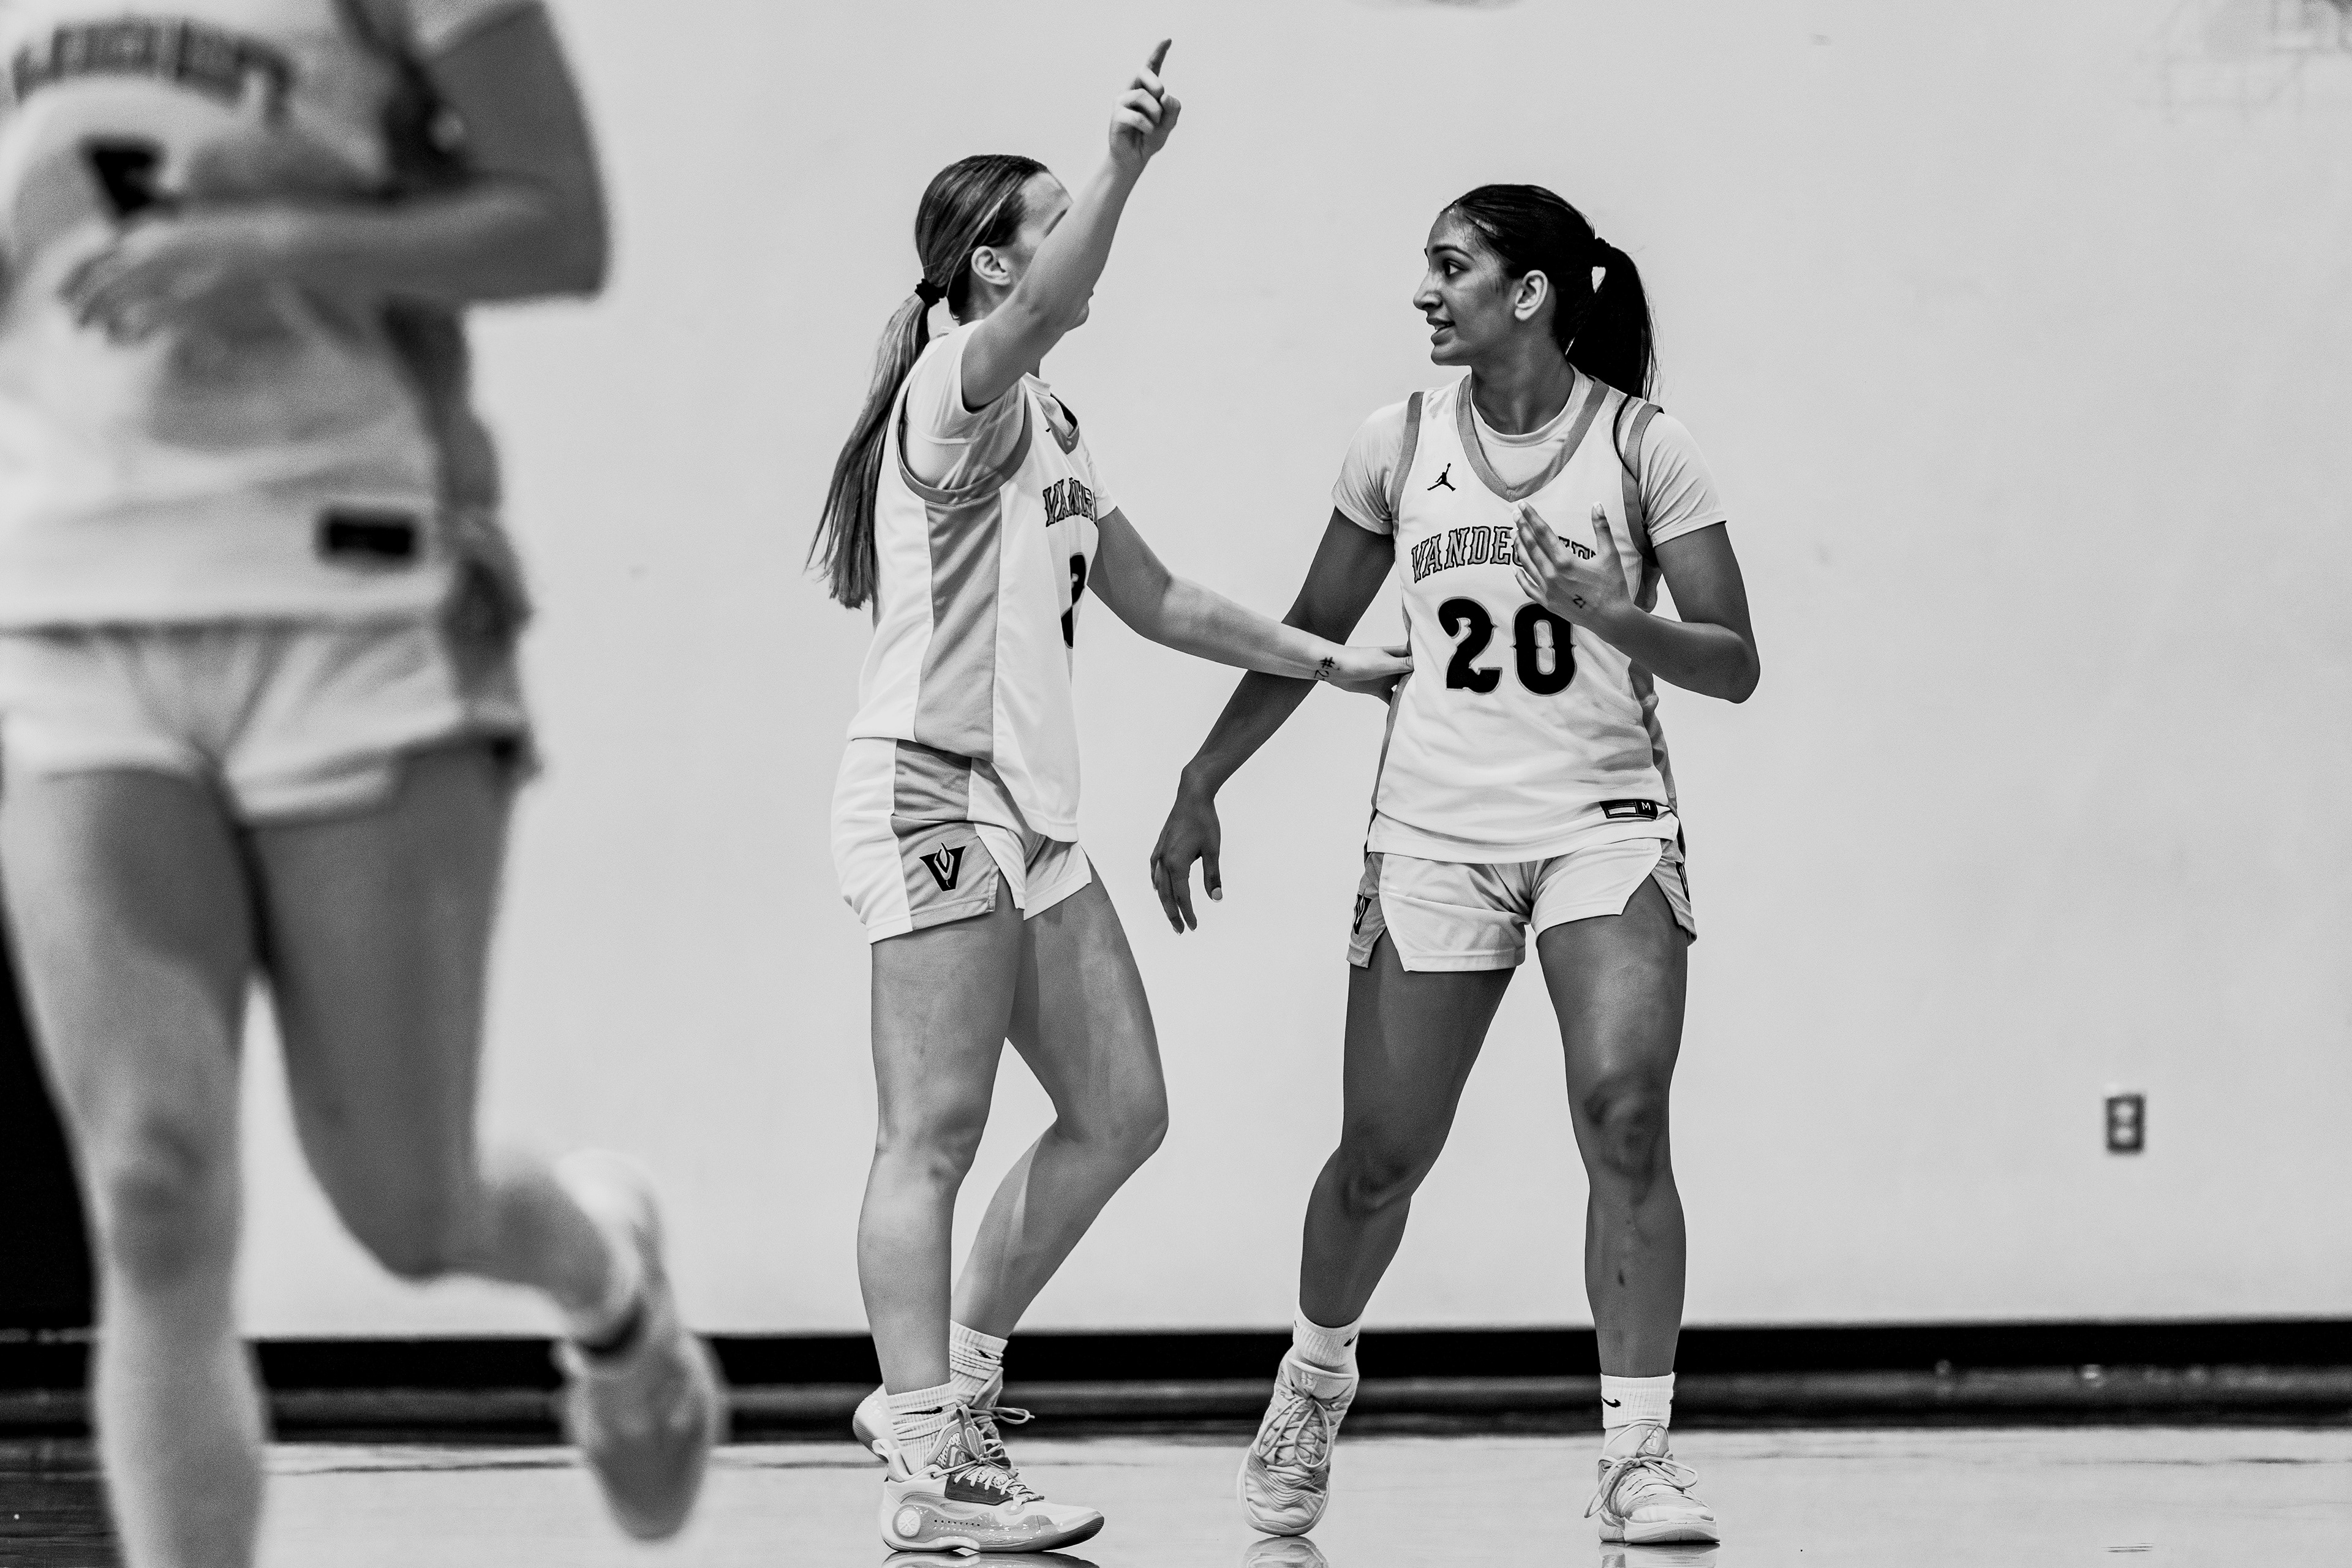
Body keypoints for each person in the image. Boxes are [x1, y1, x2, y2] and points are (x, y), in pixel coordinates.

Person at [0, 3, 725, 1562]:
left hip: (356, 596)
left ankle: (606, 1281)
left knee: (408, 1208)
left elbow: (561, 223)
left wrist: (278, 246)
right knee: (152, 1183)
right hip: (66, 607)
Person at [812, 42, 1409, 1556]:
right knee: (930, 1132)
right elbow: (1047, 306)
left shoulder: (1055, 422)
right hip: (933, 792)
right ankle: (926, 1458)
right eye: (1056, 221)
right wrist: (1128, 164)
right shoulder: (957, 385)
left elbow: (1160, 596)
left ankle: (950, 1391)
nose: (1078, 242)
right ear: (992, 264)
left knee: (1122, 1109)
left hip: (1033, 817)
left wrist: (1329, 660)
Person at [1150, 184, 1761, 1548]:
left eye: (1450, 267)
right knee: (1380, 1156)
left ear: (1529, 293)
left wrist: (1613, 612)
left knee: (1626, 1115)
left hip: (1603, 824)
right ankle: (1314, 1380)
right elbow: (1312, 626)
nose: (1424, 293)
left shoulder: (1645, 446)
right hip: (1433, 831)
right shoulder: (1400, 441)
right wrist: (1202, 776)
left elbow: (1733, 662)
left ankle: (1636, 1454)